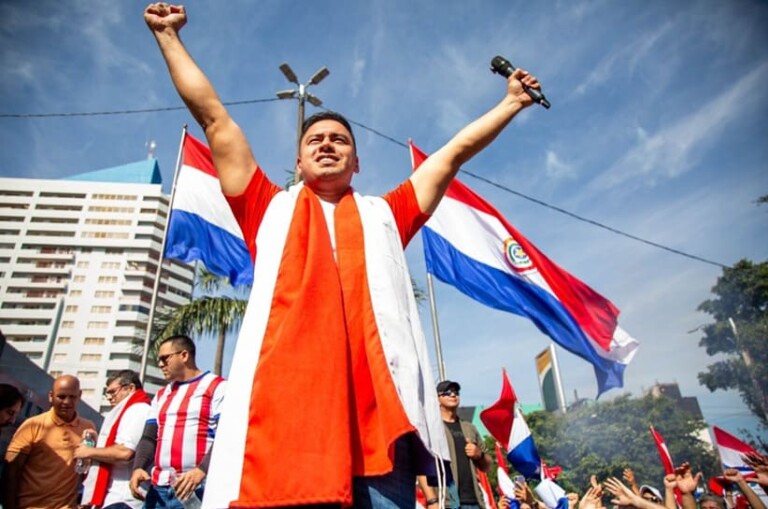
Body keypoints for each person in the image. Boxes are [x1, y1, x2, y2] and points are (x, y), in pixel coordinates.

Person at [143, 3, 542, 507]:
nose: (327, 145)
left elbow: (452, 155)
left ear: (357, 162)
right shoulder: (266, 208)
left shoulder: (387, 214)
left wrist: (511, 103)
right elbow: (214, 118)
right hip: (287, 424)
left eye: (339, 140)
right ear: (298, 160)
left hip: (380, 431)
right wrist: (168, 37)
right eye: (315, 139)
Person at [128, 335, 225, 508]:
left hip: (196, 487)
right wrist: (138, 467)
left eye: (165, 358)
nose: (160, 365)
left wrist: (202, 470)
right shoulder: (162, 394)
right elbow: (149, 436)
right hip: (159, 489)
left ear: (184, 355)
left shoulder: (217, 386)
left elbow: (226, 434)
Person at [1, 375, 96, 509]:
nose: (67, 402)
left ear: (79, 396)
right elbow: (11, 471)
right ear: (51, 396)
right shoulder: (33, 425)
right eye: (61, 397)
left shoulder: (88, 428)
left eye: (72, 397)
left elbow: (90, 470)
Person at [76, 370, 151, 509]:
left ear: (130, 388)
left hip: (124, 498)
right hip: (114, 497)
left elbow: (124, 452)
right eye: (107, 394)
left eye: (113, 392)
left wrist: (89, 451)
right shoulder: (127, 411)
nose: (110, 398)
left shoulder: (139, 409)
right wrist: (99, 443)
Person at [433, 380, 492, 509]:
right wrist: (432, 500)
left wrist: (479, 454)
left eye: (456, 392)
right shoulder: (432, 428)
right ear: (437, 399)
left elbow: (488, 466)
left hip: (474, 501)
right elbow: (422, 466)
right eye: (447, 392)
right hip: (447, 502)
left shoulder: (470, 428)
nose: (453, 395)